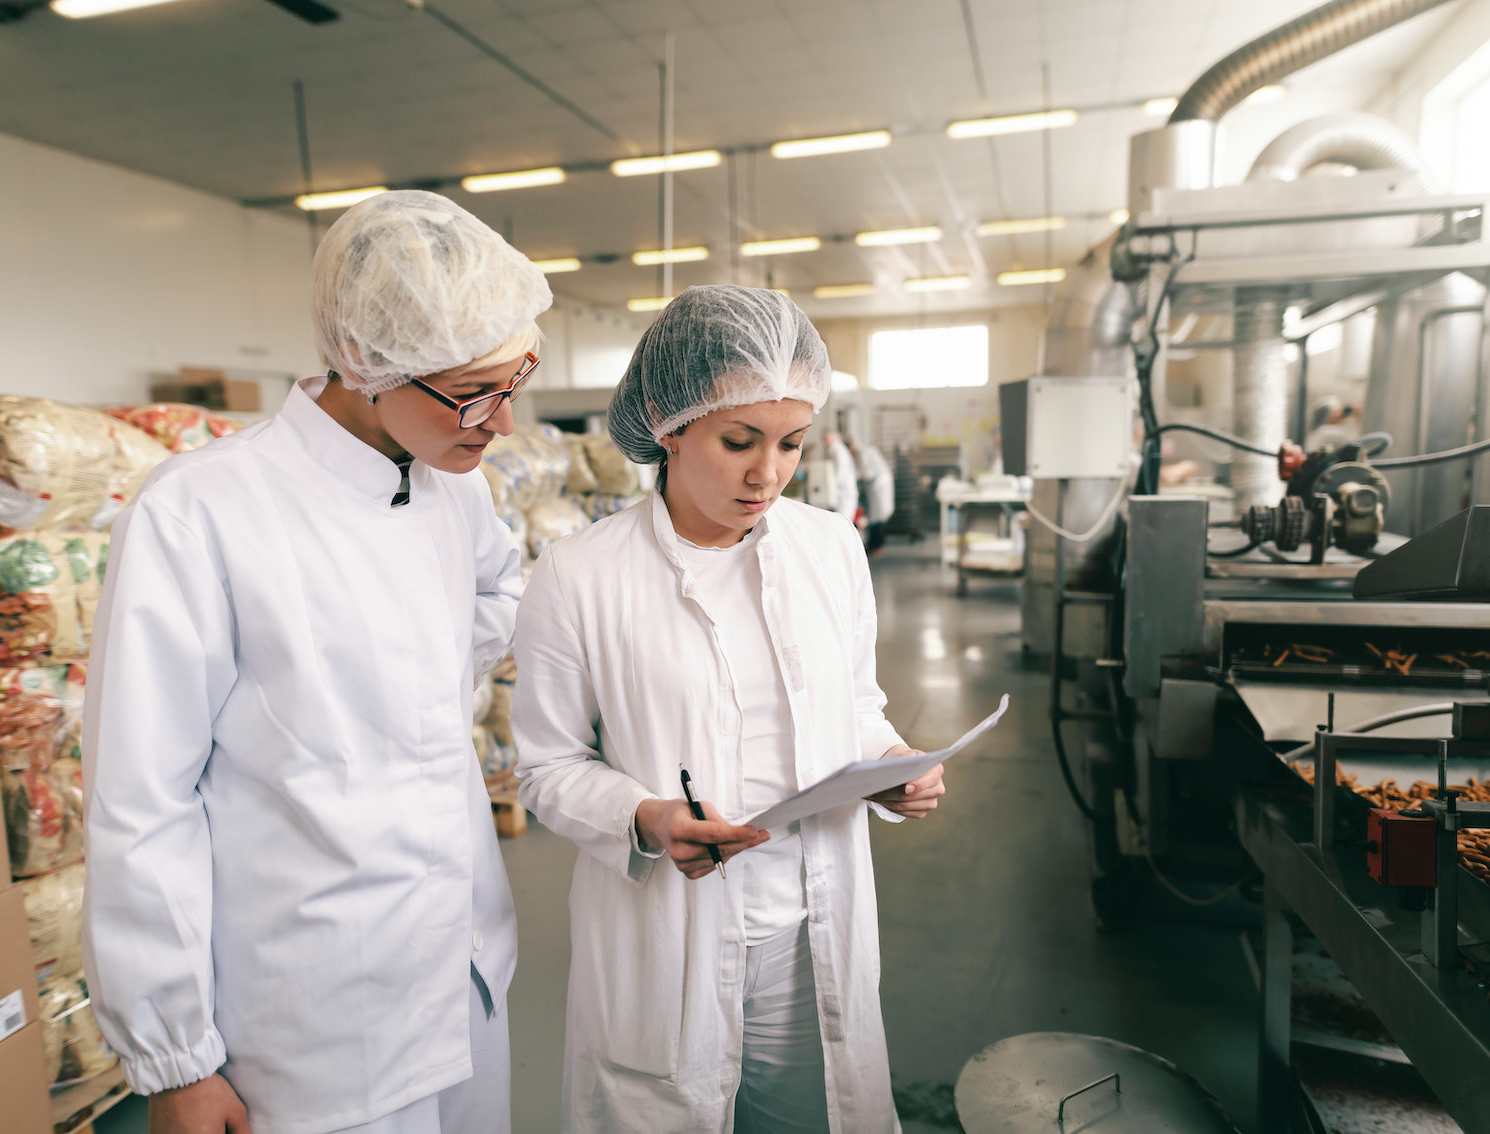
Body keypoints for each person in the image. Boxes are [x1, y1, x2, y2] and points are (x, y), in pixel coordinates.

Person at [82, 191, 549, 1134]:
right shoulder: (201, 513)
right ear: (367, 364)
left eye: (515, 380)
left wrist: (421, 656)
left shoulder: (453, 488)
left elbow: (503, 591)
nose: (501, 422)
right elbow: (141, 802)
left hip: (463, 974)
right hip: (313, 1023)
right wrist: (176, 1061)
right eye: (473, 393)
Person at [512, 285, 946, 1133]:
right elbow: (546, 767)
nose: (769, 473)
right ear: (669, 427)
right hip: (667, 934)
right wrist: (644, 816)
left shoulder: (830, 548)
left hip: (811, 926)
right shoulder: (579, 575)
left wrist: (894, 764)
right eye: (739, 440)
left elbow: (856, 703)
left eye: (791, 443)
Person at [848, 433, 895, 555]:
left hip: (879, 486)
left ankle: (876, 545)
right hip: (877, 486)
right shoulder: (864, 452)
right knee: (876, 515)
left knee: (877, 515)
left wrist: (857, 478)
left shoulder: (864, 453)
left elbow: (867, 473)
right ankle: (875, 544)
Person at [822, 428, 860, 524]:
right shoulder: (834, 450)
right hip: (840, 494)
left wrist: (830, 489)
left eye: (826, 439)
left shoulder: (838, 451)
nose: (824, 442)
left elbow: (840, 475)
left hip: (844, 493)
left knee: (843, 523)